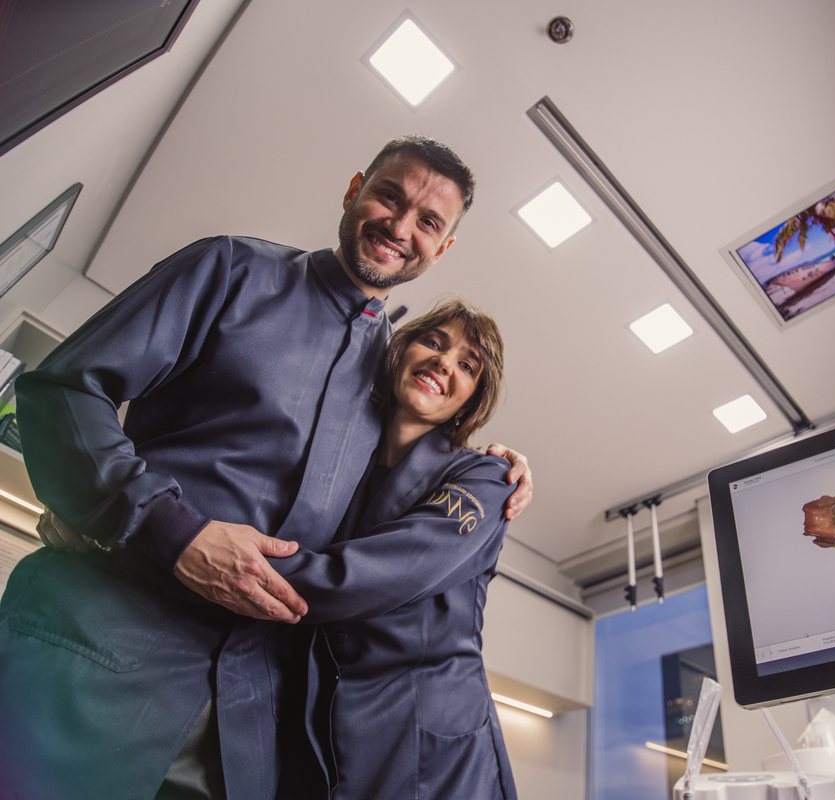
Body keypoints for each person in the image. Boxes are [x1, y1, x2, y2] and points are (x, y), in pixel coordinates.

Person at [0, 136, 531, 800]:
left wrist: (494, 467)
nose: (400, 227)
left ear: (442, 248)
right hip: (96, 661)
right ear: (354, 190)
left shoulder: (388, 378)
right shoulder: (231, 270)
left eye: (427, 221)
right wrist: (163, 528)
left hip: (248, 732)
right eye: (389, 197)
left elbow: (410, 480)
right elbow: (64, 390)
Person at [271, 299, 520, 799]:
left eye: (467, 365)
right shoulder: (338, 463)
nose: (443, 362)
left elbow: (371, 576)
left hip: (432, 747)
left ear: (471, 401)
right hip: (322, 725)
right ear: (400, 351)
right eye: (433, 342)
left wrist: (233, 559)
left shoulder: (488, 478)